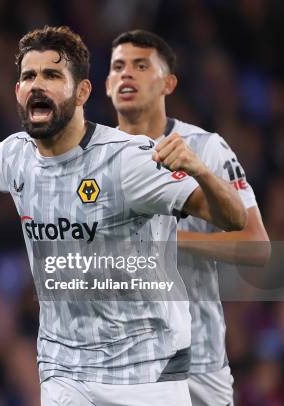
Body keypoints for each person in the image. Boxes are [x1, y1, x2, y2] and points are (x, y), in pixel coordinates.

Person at [0, 26, 247, 405]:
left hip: (146, 370)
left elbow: (231, 218)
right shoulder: (19, 156)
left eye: (51, 75)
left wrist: (202, 172)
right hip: (65, 370)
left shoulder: (128, 160)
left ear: (82, 91)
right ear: (17, 91)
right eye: (28, 76)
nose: (36, 84)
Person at [106, 29, 270, 406]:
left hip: (198, 360)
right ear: (106, 84)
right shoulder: (93, 159)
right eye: (118, 67)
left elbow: (257, 247)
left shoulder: (205, 149)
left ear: (168, 83)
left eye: (141, 66)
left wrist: (172, 244)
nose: (127, 74)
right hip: (121, 363)